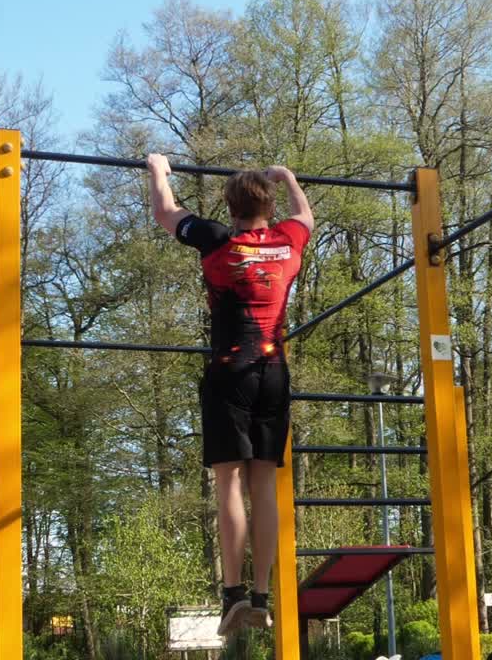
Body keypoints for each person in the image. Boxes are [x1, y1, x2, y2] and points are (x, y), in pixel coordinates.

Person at [145, 153, 314, 635]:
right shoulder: (287, 240)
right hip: (274, 371)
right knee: (264, 485)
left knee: (229, 485)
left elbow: (165, 212)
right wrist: (291, 179)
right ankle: (262, 595)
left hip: (230, 370)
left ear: (230, 205)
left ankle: (233, 593)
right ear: (269, 205)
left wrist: (159, 169)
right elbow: (306, 217)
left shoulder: (219, 239)